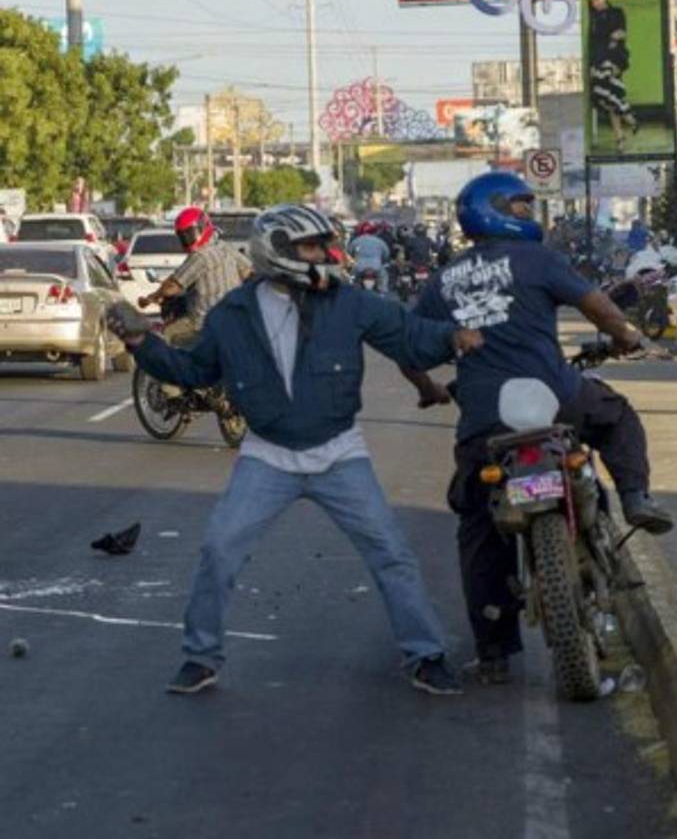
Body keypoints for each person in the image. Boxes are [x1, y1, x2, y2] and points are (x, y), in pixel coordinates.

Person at [105, 204, 482, 696]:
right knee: (219, 550)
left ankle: (425, 655)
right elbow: (194, 370)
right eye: (311, 247)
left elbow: (408, 336)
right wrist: (141, 342)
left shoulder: (347, 302)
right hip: (267, 456)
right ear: (277, 250)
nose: (324, 255)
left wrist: (452, 338)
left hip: (339, 453)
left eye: (323, 245)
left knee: (391, 553)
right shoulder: (232, 315)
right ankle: (200, 657)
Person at [410, 172, 672, 685]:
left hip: (485, 417)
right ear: (493, 209)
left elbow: (408, 347)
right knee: (616, 416)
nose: (528, 214)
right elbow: (597, 306)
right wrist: (625, 336)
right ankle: (636, 497)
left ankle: (494, 653)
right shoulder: (538, 260)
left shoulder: (442, 280)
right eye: (519, 206)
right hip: (556, 397)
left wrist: (429, 388)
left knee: (478, 525)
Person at [140, 207, 251, 346]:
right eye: (183, 236)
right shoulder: (225, 248)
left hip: (203, 323)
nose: (187, 239)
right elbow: (248, 272)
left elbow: (172, 286)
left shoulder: (200, 256)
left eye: (190, 233)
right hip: (233, 320)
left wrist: (153, 297)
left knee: (166, 335)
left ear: (203, 226)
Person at [587, 0, 638, 152]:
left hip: (614, 58)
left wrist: (612, 39)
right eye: (592, 1)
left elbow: (621, 33)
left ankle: (624, 127)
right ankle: (626, 123)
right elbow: (594, 43)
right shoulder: (593, 18)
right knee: (608, 97)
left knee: (607, 93)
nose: (595, 3)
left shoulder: (616, 12)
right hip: (599, 60)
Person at [348, 221, 393, 293]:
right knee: (384, 277)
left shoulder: (356, 241)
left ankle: (352, 292)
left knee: (352, 279)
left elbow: (349, 253)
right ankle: (382, 293)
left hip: (359, 267)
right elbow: (386, 253)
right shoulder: (380, 241)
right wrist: (383, 261)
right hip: (376, 266)